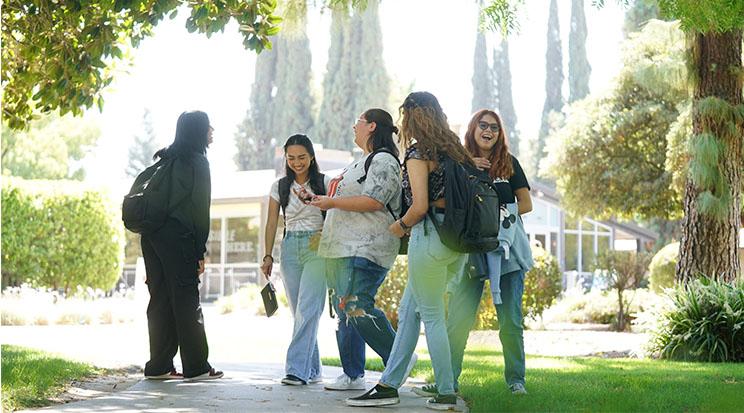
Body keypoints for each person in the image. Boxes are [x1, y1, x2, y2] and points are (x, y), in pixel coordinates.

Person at [346, 92, 473, 411]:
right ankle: (389, 384)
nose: (402, 122)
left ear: (413, 116)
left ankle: (446, 392)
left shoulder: (419, 152)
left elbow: (419, 206)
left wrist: (398, 226)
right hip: (457, 241)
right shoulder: (454, 149)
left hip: (428, 237)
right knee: (408, 312)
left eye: (405, 115)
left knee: (431, 316)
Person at [418, 109, 534, 398]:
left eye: (494, 127)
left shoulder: (509, 164)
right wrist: (468, 166)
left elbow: (526, 203)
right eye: (483, 125)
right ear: (473, 129)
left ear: (500, 134)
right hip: (470, 249)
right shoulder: (459, 163)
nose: (488, 131)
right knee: (458, 318)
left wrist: (494, 214)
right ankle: (448, 380)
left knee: (510, 319)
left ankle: (516, 380)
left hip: (506, 250)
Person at [311, 108, 415, 391]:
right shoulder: (361, 161)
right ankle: (352, 373)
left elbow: (374, 201)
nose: (353, 127)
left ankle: (399, 358)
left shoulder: (383, 160)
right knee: (345, 311)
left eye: (357, 122)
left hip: (367, 248)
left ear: (371, 126)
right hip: (342, 248)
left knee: (357, 306)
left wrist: (330, 203)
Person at [141, 110, 223, 381]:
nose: (212, 131)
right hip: (178, 237)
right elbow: (200, 210)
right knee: (187, 299)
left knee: (160, 297)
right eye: (208, 127)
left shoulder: (164, 158)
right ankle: (197, 366)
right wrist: (200, 251)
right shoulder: (197, 162)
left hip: (151, 236)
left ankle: (159, 366)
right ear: (199, 131)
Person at [261, 134, 329, 386]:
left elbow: (334, 214)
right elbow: (271, 223)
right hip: (289, 247)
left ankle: (296, 371)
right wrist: (267, 255)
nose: (297, 162)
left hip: (317, 246)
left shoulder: (324, 181)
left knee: (309, 308)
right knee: (300, 312)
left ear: (311, 157)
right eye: (291, 158)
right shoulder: (279, 186)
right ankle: (313, 370)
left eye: (301, 157)